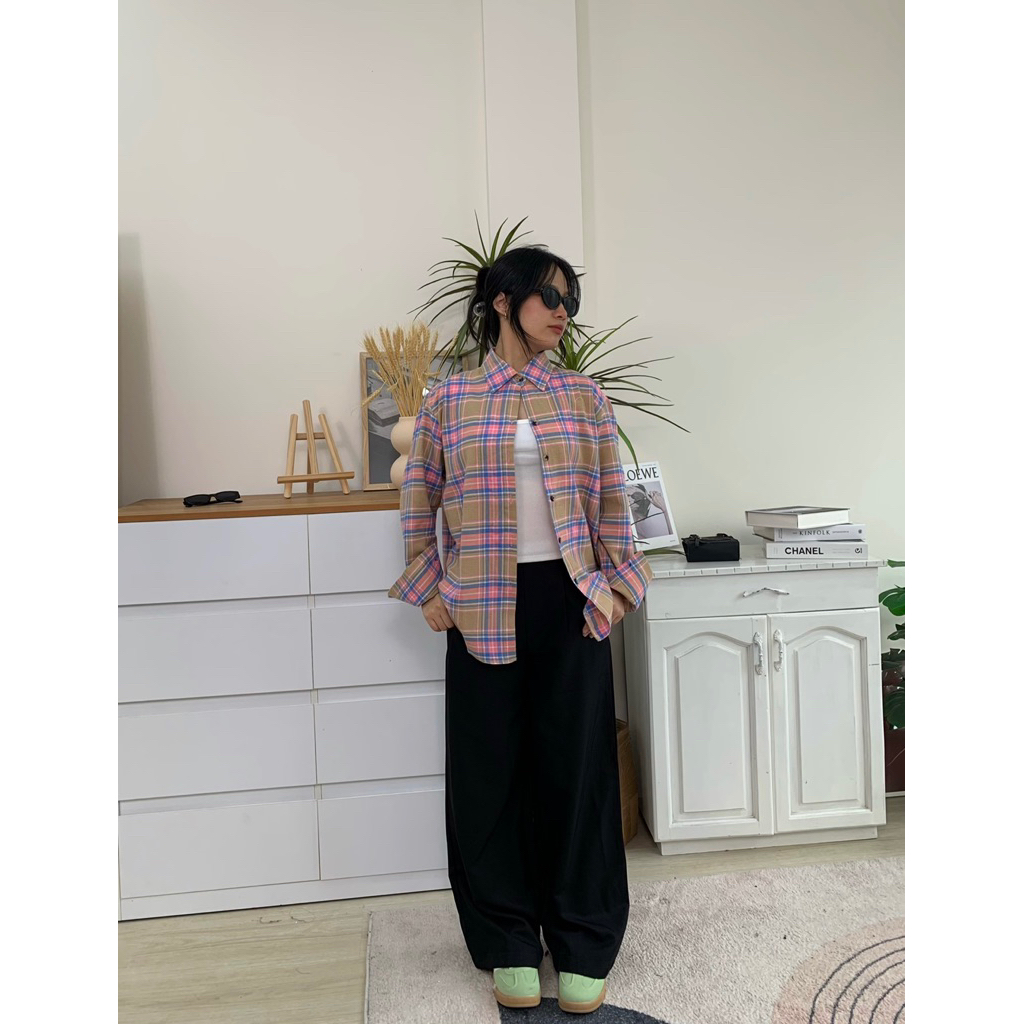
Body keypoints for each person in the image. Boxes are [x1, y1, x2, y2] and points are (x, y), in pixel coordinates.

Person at [387, 245, 653, 1014]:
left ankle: (584, 940)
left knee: (578, 774)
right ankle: (507, 939)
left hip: (571, 602)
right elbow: (420, 498)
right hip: (480, 605)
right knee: (489, 775)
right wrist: (430, 587)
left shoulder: (583, 396)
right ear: (504, 302)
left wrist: (616, 591)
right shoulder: (451, 399)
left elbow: (612, 501)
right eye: (550, 298)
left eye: (570, 301)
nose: (564, 313)